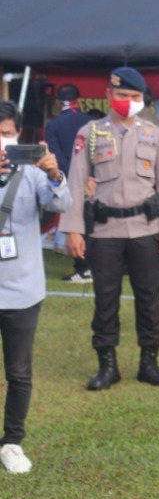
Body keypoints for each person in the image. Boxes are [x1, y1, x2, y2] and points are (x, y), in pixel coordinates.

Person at [63, 66, 159, 390]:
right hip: (105, 232)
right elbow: (76, 183)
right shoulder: (89, 134)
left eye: (134, 97)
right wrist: (73, 230)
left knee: (148, 298)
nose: (128, 101)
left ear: (142, 99)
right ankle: (107, 365)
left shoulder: (154, 134)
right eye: (122, 96)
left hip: (145, 230)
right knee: (105, 300)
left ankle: (150, 363)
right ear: (109, 95)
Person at [0, 102, 71, 474]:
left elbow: (62, 202)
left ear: (19, 135)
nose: (1, 141)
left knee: (19, 372)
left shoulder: (31, 171)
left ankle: (12, 442)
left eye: (7, 134)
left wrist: (55, 172)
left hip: (22, 289)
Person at [44, 83, 93, 283]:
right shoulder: (91, 121)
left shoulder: (53, 125)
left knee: (75, 223)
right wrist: (90, 175)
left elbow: (54, 155)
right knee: (92, 223)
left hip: (68, 179)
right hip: (93, 180)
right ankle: (89, 267)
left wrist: (71, 177)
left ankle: (83, 268)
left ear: (58, 102)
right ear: (79, 100)